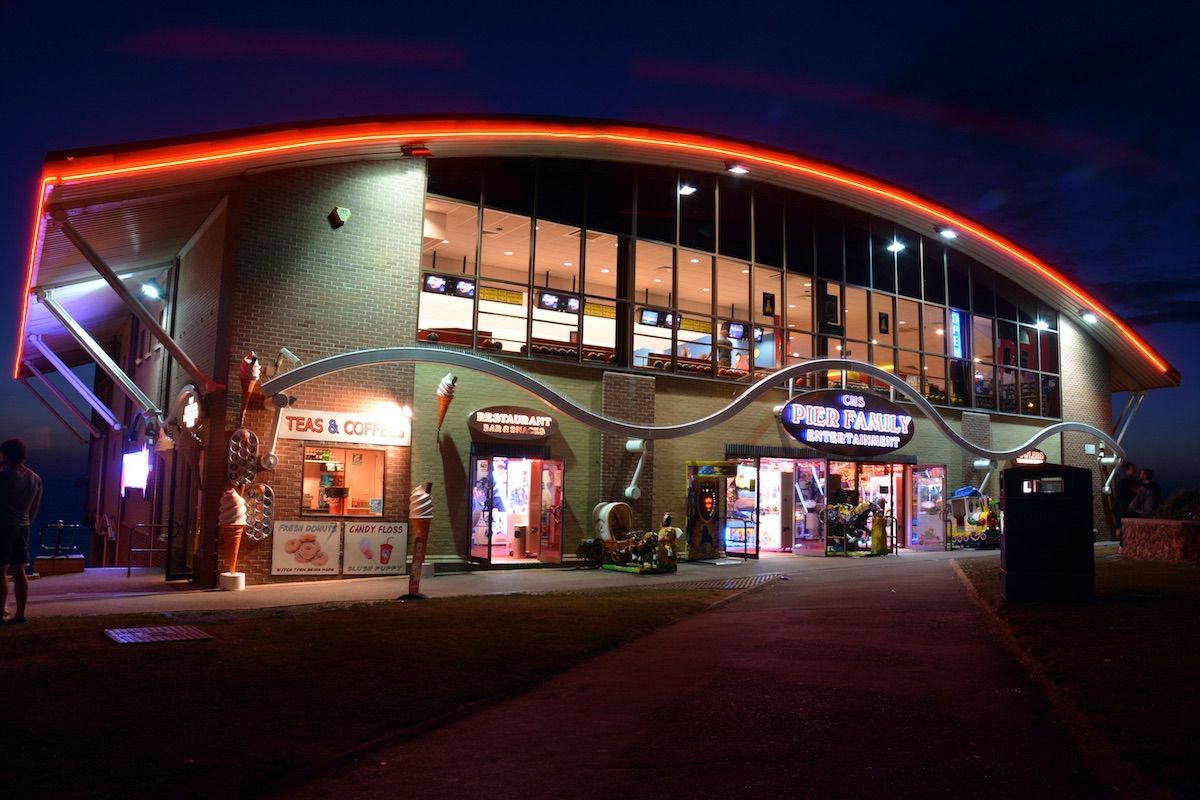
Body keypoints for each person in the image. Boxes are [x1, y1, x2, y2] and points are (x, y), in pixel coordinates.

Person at [0, 439, 42, 624]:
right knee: (19, 571)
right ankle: (20, 614)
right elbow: (34, 508)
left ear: (6, 455)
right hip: (23, 526)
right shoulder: (35, 478)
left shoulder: (4, 476)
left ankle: (0, 613)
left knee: (1, 571)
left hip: (3, 526)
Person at [1112, 462, 1138, 541]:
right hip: (1123, 506)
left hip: (1122, 505)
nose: (1134, 472)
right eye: (1132, 470)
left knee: (1120, 526)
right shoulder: (1125, 480)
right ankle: (1121, 544)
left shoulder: (1125, 480)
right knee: (1120, 526)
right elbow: (1136, 492)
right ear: (1127, 470)